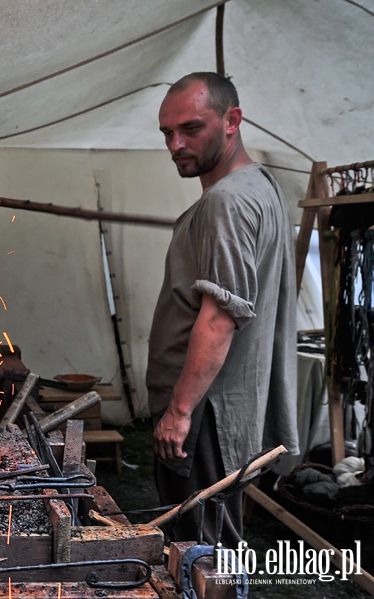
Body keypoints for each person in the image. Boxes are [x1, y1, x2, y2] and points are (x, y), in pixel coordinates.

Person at [147, 72, 299, 548]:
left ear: (233, 120)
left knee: (200, 554)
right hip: (220, 409)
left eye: (191, 129)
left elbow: (220, 317)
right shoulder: (261, 188)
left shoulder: (229, 201)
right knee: (210, 546)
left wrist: (180, 410)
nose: (176, 144)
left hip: (206, 415)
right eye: (167, 133)